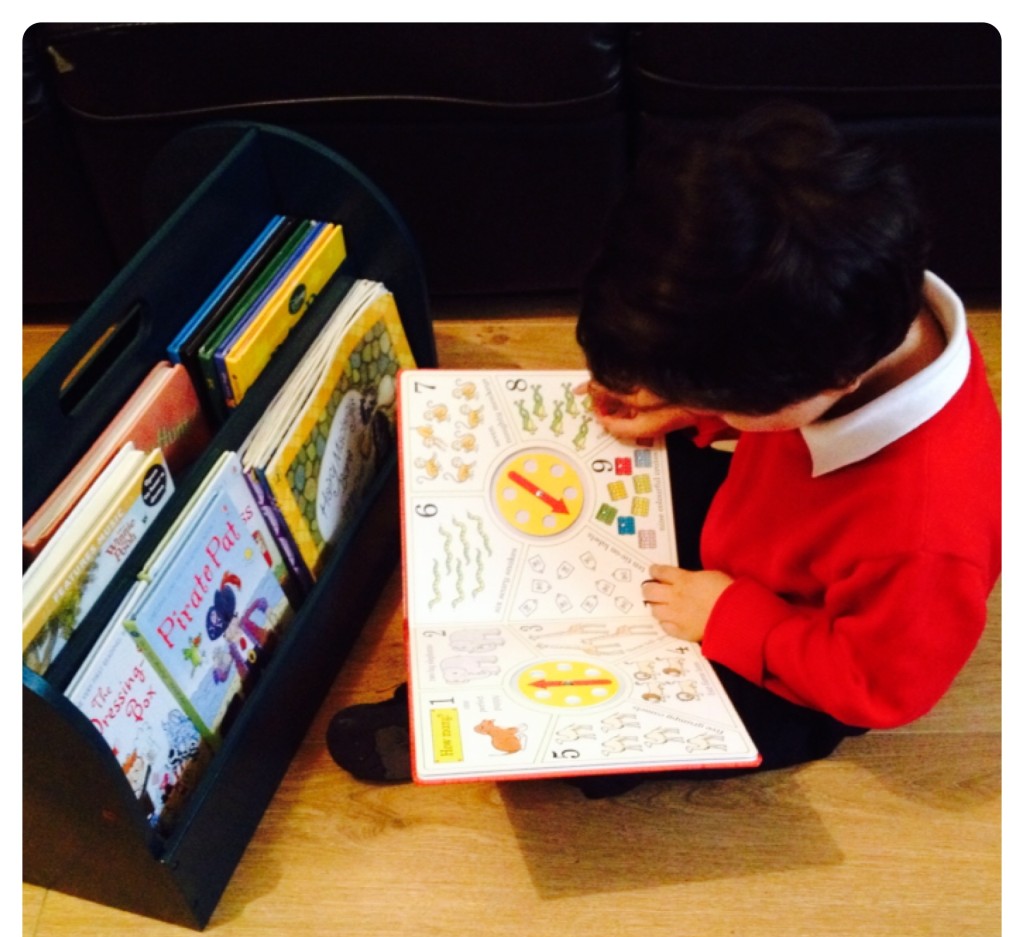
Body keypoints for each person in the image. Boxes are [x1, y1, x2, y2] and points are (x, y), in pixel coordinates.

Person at [328, 102, 1001, 797]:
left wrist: (737, 620)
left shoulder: (925, 537)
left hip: (800, 657)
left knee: (628, 724)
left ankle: (481, 722)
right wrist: (685, 407)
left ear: (828, 381)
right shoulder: (856, 305)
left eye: (730, 398)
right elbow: (767, 379)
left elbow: (881, 687)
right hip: (763, 520)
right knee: (600, 503)